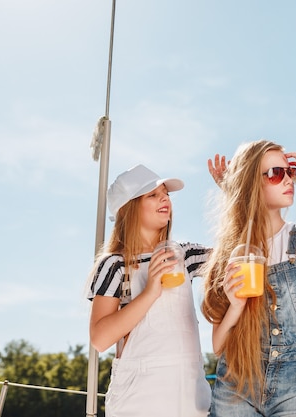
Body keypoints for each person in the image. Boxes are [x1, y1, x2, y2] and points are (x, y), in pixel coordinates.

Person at [201, 139, 296, 416]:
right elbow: (218, 346)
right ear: (252, 183)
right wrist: (236, 306)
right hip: (238, 379)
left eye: (290, 172)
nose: (287, 179)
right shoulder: (230, 254)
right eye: (275, 173)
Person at [86, 164, 211, 417]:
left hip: (189, 394)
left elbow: (238, 254)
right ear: (128, 209)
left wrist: (231, 190)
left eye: (165, 193)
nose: (164, 198)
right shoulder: (115, 264)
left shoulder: (184, 255)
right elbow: (100, 338)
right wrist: (150, 292)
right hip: (138, 398)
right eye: (152, 195)